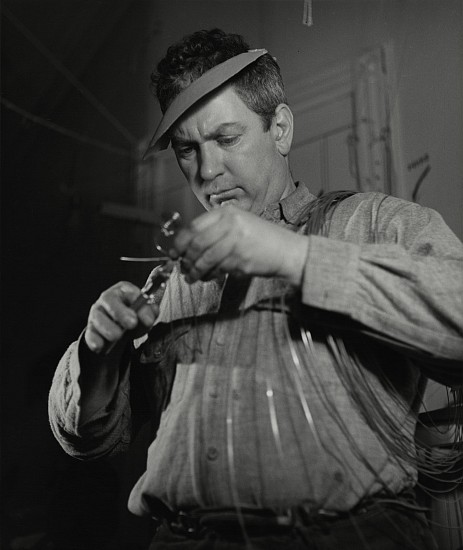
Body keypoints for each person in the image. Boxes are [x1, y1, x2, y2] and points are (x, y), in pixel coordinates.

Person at [49, 29, 463, 549]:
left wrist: (293, 256)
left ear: (281, 128)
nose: (207, 171)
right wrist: (97, 352)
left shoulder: (376, 224)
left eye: (226, 139)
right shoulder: (169, 287)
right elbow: (88, 442)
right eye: (187, 150)